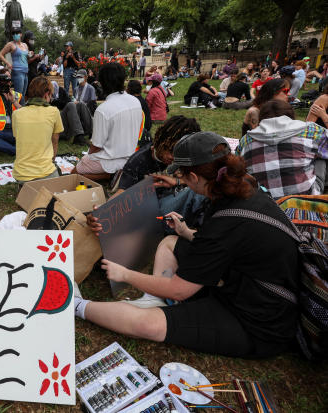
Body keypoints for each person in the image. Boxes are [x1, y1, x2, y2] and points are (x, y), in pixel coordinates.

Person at [78, 131, 300, 358]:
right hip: (249, 282)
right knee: (171, 241)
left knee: (147, 324)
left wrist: (125, 274)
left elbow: (180, 290)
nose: (181, 181)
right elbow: (228, 246)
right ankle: (154, 300)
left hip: (259, 322)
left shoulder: (225, 222)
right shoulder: (243, 187)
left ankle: (77, 305)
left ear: (194, 177)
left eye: (182, 176)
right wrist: (185, 232)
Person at [237, 99, 328, 197]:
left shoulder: (246, 140)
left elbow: (237, 166)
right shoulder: (312, 131)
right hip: (304, 202)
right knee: (321, 153)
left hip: (265, 204)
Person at [74, 63, 143, 180]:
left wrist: (88, 157)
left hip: (110, 160)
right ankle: (114, 174)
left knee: (74, 172)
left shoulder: (103, 110)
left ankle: (110, 174)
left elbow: (96, 146)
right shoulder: (135, 101)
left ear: (102, 83)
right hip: (131, 157)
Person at [11, 76, 62, 183]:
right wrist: (51, 162)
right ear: (47, 94)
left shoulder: (16, 114)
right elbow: (55, 142)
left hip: (21, 175)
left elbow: (18, 140)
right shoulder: (54, 111)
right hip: (46, 173)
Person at [0, 69, 23, 155]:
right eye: (5, 78)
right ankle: (17, 150)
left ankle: (9, 146)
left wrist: (14, 101)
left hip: (17, 131)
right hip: (1, 132)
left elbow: (25, 115)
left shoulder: (17, 95)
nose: (8, 80)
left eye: (9, 77)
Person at [51, 81, 91, 146]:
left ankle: (90, 132)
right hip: (58, 127)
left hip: (66, 120)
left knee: (80, 104)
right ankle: (79, 136)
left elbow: (67, 100)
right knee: (70, 105)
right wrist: (53, 101)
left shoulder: (60, 90)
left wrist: (55, 101)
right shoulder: (45, 97)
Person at [0, 27, 29, 97]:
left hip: (25, 72)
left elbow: (26, 57)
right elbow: (0, 54)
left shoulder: (25, 45)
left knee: (23, 96)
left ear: (21, 34)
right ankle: (16, 107)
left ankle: (20, 107)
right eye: (13, 34)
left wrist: (30, 54)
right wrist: (8, 63)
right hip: (17, 72)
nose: (15, 35)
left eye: (17, 33)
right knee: (18, 96)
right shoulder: (11, 44)